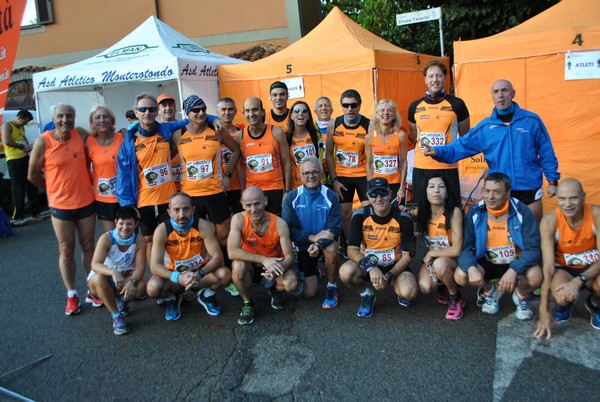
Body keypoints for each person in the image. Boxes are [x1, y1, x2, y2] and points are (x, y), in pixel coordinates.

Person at [423, 79, 560, 222]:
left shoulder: (532, 121)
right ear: (492, 96)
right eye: (496, 92)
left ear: (513, 94)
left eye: (504, 91)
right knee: (501, 237)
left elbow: (546, 152)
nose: (500, 95)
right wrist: (438, 152)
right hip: (499, 191)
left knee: (531, 236)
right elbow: (460, 146)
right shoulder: (486, 127)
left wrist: (552, 181)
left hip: (529, 189)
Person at [117, 93, 221, 264]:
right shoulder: (129, 141)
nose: (147, 112)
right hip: (144, 200)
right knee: (150, 239)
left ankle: (180, 273)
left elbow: (193, 117)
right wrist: (127, 205)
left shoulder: (165, 129)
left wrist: (214, 118)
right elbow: (123, 176)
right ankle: (159, 277)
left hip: (168, 198)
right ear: (136, 113)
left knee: (175, 237)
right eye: (143, 109)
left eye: (151, 109)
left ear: (157, 111)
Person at [28, 104, 97, 315]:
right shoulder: (43, 141)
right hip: (60, 206)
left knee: (88, 246)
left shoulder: (81, 134)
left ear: (75, 117)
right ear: (54, 118)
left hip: (85, 201)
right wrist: (52, 189)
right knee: (66, 249)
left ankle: (92, 289)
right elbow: (32, 174)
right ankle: (72, 295)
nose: (65, 120)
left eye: (69, 116)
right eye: (61, 116)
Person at [455, 172, 542, 320]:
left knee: (536, 276)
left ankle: (520, 294)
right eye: (487, 191)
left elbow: (533, 249)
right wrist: (471, 268)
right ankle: (490, 290)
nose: (490, 197)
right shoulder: (475, 212)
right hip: (488, 261)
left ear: (507, 193)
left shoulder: (522, 211)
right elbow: (466, 247)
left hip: (516, 261)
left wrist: (514, 269)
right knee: (461, 275)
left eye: (496, 192)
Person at [339, 178, 416, 317]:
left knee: (409, 292)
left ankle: (396, 284)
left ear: (390, 193)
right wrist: (371, 266)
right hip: (368, 266)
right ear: (367, 196)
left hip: (394, 265)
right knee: (345, 272)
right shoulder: (359, 215)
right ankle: (367, 294)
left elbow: (408, 256)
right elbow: (352, 250)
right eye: (374, 194)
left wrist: (388, 275)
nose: (379, 198)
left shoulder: (404, 218)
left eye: (383, 193)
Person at [148, 192, 231, 320]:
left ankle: (206, 296)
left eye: (186, 209)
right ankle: (173, 298)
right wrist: (178, 277)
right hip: (175, 278)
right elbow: (154, 266)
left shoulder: (202, 225)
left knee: (225, 275)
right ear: (169, 212)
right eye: (176, 210)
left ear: (193, 210)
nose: (181, 215)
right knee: (153, 288)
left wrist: (200, 273)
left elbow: (218, 257)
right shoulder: (162, 230)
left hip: (199, 276)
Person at [534, 179, 600, 338]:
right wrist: (543, 309)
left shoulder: (596, 214)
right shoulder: (550, 221)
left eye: (573, 198)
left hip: (593, 269)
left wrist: (578, 281)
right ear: (556, 198)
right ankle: (564, 306)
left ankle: (595, 303)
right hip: (565, 270)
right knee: (561, 296)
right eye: (562, 199)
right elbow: (548, 268)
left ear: (583, 197)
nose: (567, 204)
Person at [227, 186, 297, 325]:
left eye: (257, 203)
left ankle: (275, 290)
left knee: (291, 283)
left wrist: (278, 268)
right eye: (248, 205)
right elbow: (231, 252)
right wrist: (263, 259)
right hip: (252, 263)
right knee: (237, 266)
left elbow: (289, 256)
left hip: (274, 263)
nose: (253, 209)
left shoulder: (279, 223)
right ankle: (247, 303)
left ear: (265, 201)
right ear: (242, 205)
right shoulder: (238, 219)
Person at [408, 60, 470, 207]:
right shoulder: (415, 106)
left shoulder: (457, 104)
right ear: (425, 79)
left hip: (447, 166)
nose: (434, 80)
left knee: (451, 210)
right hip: (422, 166)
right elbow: (415, 136)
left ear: (445, 78)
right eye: (430, 76)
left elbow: (465, 136)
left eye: (439, 76)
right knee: (421, 210)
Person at [282, 156, 342, 307]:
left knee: (333, 248)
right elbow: (289, 229)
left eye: (315, 172)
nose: (311, 176)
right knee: (309, 294)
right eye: (307, 173)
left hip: (323, 244)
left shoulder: (330, 196)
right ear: (300, 176)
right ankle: (314, 268)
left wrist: (319, 243)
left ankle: (332, 286)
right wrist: (312, 238)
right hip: (304, 245)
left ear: (321, 174)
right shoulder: (292, 197)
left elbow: (334, 227)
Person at [404, 174, 464, 320]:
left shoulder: (454, 212)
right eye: (431, 187)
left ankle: (455, 297)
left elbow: (457, 249)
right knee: (425, 286)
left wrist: (432, 253)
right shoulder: (422, 212)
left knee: (440, 264)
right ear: (425, 192)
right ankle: (444, 285)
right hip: (437, 258)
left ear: (447, 193)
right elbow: (405, 215)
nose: (436, 190)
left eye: (441, 187)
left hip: (454, 259)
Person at [89, 206, 146, 335]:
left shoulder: (139, 239)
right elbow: (95, 264)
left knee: (141, 287)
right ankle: (116, 316)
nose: (125, 227)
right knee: (99, 278)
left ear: (136, 224)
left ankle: (122, 301)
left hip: (124, 278)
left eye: (129, 224)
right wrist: (113, 272)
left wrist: (132, 282)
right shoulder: (106, 238)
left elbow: (140, 268)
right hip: (103, 280)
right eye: (121, 223)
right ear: (115, 222)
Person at [325, 89, 370, 251]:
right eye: (346, 105)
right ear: (341, 106)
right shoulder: (334, 124)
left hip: (363, 175)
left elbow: (372, 156)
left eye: (353, 105)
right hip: (342, 176)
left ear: (359, 106)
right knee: (345, 214)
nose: (350, 109)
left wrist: (370, 179)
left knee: (368, 213)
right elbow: (329, 154)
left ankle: (368, 245)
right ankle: (352, 246)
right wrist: (334, 179)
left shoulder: (368, 124)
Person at [238, 97, 292, 215]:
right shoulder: (240, 136)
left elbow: (287, 162)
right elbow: (241, 167)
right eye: (247, 111)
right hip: (252, 191)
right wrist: (243, 191)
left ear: (262, 112)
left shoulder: (276, 132)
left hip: (275, 189)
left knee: (277, 227)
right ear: (243, 113)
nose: (251, 114)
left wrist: (287, 190)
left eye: (255, 110)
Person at [85, 104, 123, 231]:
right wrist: (93, 185)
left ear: (112, 120)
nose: (102, 120)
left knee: (128, 235)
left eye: (105, 116)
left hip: (124, 195)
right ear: (92, 121)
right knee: (112, 236)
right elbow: (85, 168)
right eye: (98, 117)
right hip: (103, 197)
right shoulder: (89, 142)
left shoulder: (121, 137)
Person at [1, 109, 39, 226]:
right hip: (14, 160)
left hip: (24, 158)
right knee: (18, 188)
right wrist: (22, 146)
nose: (25, 124)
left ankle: (35, 213)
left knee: (32, 183)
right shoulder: (7, 125)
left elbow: (23, 137)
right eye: (24, 122)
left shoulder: (21, 127)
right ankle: (17, 216)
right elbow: (7, 141)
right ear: (19, 118)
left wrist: (28, 146)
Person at [365, 99, 409, 203]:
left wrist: (402, 188)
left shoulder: (401, 135)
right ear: (377, 114)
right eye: (382, 110)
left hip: (395, 183)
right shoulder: (369, 137)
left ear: (394, 115)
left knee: (396, 213)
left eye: (389, 110)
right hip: (377, 183)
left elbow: (403, 162)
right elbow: (369, 164)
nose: (385, 113)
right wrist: (370, 186)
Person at [216, 97, 244, 215]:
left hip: (238, 185)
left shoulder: (242, 133)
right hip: (218, 187)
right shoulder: (213, 133)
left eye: (230, 109)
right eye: (223, 109)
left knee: (240, 219)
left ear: (236, 111)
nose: (227, 112)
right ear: (217, 112)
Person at [285, 100, 320, 189]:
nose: (300, 113)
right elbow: (284, 164)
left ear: (308, 116)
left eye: (304, 111)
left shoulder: (316, 135)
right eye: (297, 111)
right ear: (291, 116)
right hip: (295, 186)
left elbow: (321, 159)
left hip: (315, 184)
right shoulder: (286, 137)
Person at [157, 93, 183, 191]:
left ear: (175, 108)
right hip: (166, 187)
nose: (168, 108)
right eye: (164, 105)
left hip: (187, 185)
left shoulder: (184, 128)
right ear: (158, 110)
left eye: (170, 104)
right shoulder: (155, 132)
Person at [314, 96, 334, 184]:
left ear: (332, 110)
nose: (324, 108)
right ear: (315, 111)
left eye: (326, 105)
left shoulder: (338, 127)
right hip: (318, 175)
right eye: (320, 106)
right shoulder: (311, 129)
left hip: (336, 173)